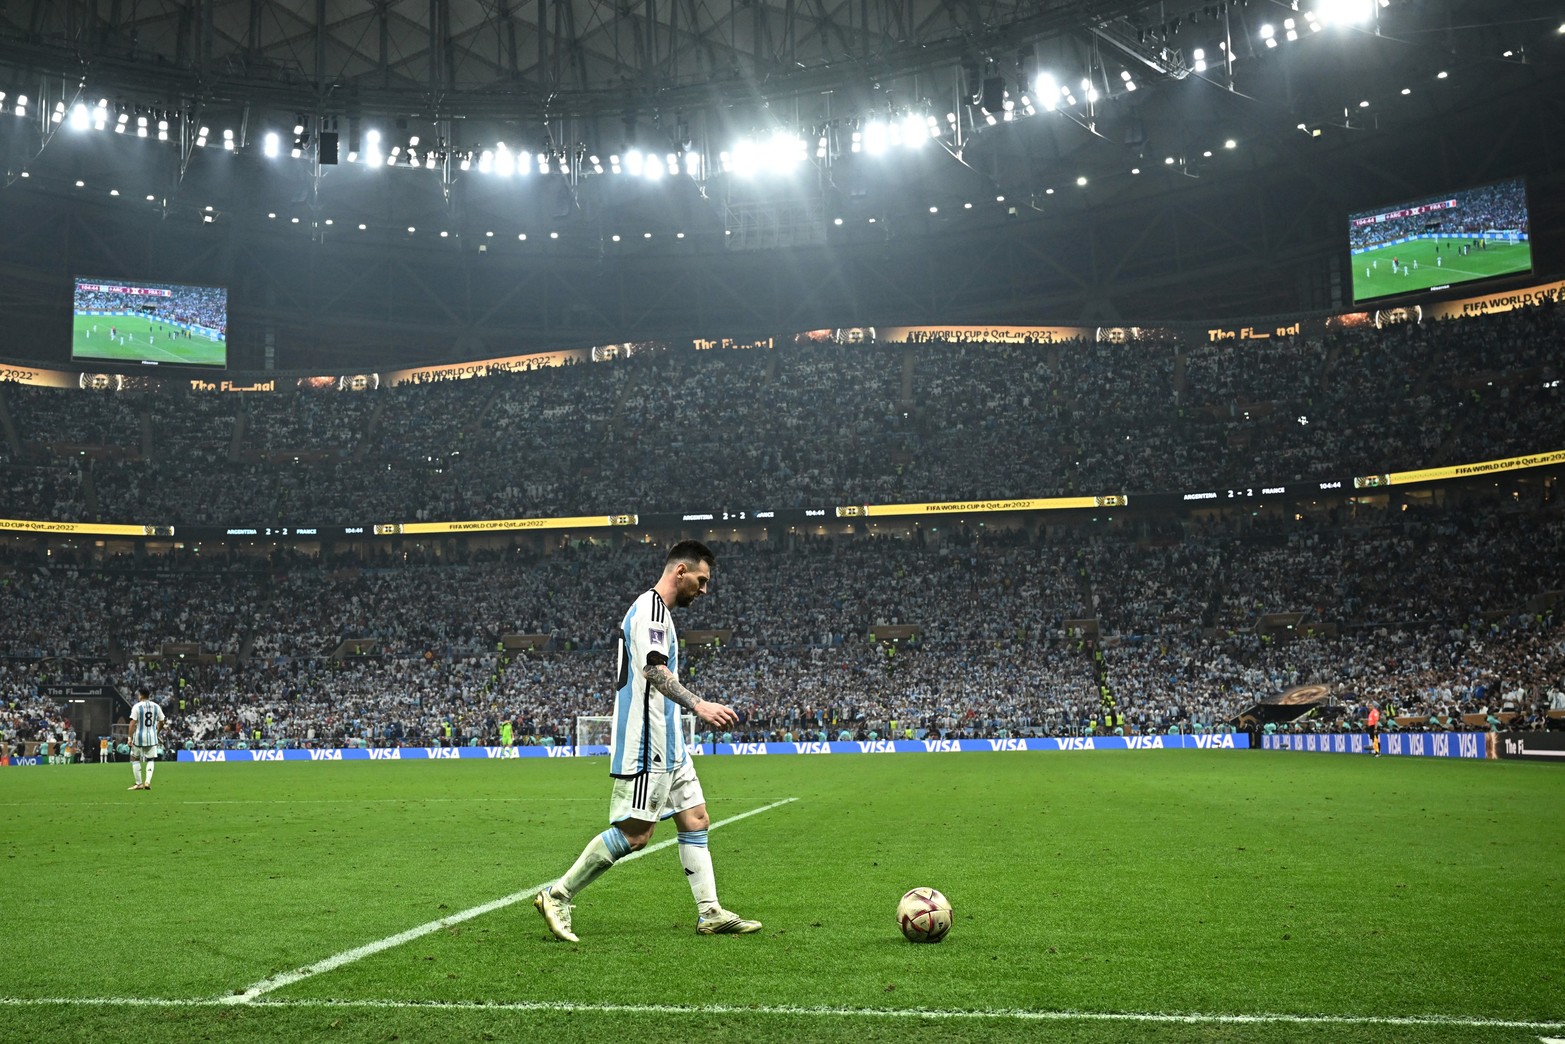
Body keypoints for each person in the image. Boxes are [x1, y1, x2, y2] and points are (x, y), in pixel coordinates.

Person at [534, 540, 761, 942]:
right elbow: (654, 671)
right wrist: (700, 705)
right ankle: (558, 894)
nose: (704, 590)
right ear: (680, 572)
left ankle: (709, 913)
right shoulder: (650, 610)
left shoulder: (661, 614)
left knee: (696, 819)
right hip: (648, 742)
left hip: (671, 743)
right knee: (635, 835)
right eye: (702, 580)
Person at [128, 687, 166, 790]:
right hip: (152, 737)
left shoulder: (137, 707)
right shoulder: (156, 706)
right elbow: (162, 721)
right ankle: (147, 782)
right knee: (151, 759)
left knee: (135, 758)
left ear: (141, 695)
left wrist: (129, 738)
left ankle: (139, 783)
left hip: (139, 737)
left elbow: (132, 723)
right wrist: (157, 732)